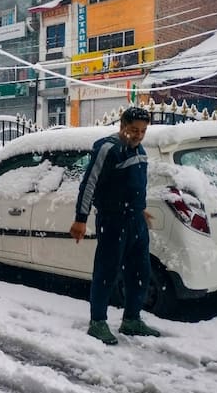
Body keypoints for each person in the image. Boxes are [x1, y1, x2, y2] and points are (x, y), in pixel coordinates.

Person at [69, 107, 161, 345]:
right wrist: (81, 219)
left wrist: (140, 209)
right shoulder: (108, 149)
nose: (139, 135)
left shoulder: (139, 150)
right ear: (122, 126)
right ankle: (97, 322)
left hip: (136, 221)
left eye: (143, 131)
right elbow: (89, 185)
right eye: (134, 130)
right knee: (107, 272)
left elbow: (134, 184)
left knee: (140, 271)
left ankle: (131, 319)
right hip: (113, 221)